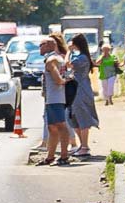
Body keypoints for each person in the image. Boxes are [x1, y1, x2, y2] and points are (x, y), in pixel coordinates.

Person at [38, 33, 71, 166]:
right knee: (52, 127)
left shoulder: (51, 60)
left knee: (61, 126)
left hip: (55, 98)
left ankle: (64, 156)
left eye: (41, 45)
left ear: (49, 46)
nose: (39, 48)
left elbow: (58, 80)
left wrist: (64, 81)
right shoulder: (59, 58)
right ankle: (50, 156)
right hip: (53, 98)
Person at [67, 33, 100, 158]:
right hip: (77, 90)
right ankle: (82, 145)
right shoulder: (83, 56)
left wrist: (68, 52)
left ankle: (85, 146)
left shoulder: (82, 58)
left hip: (81, 91)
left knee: (83, 117)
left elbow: (68, 64)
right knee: (73, 118)